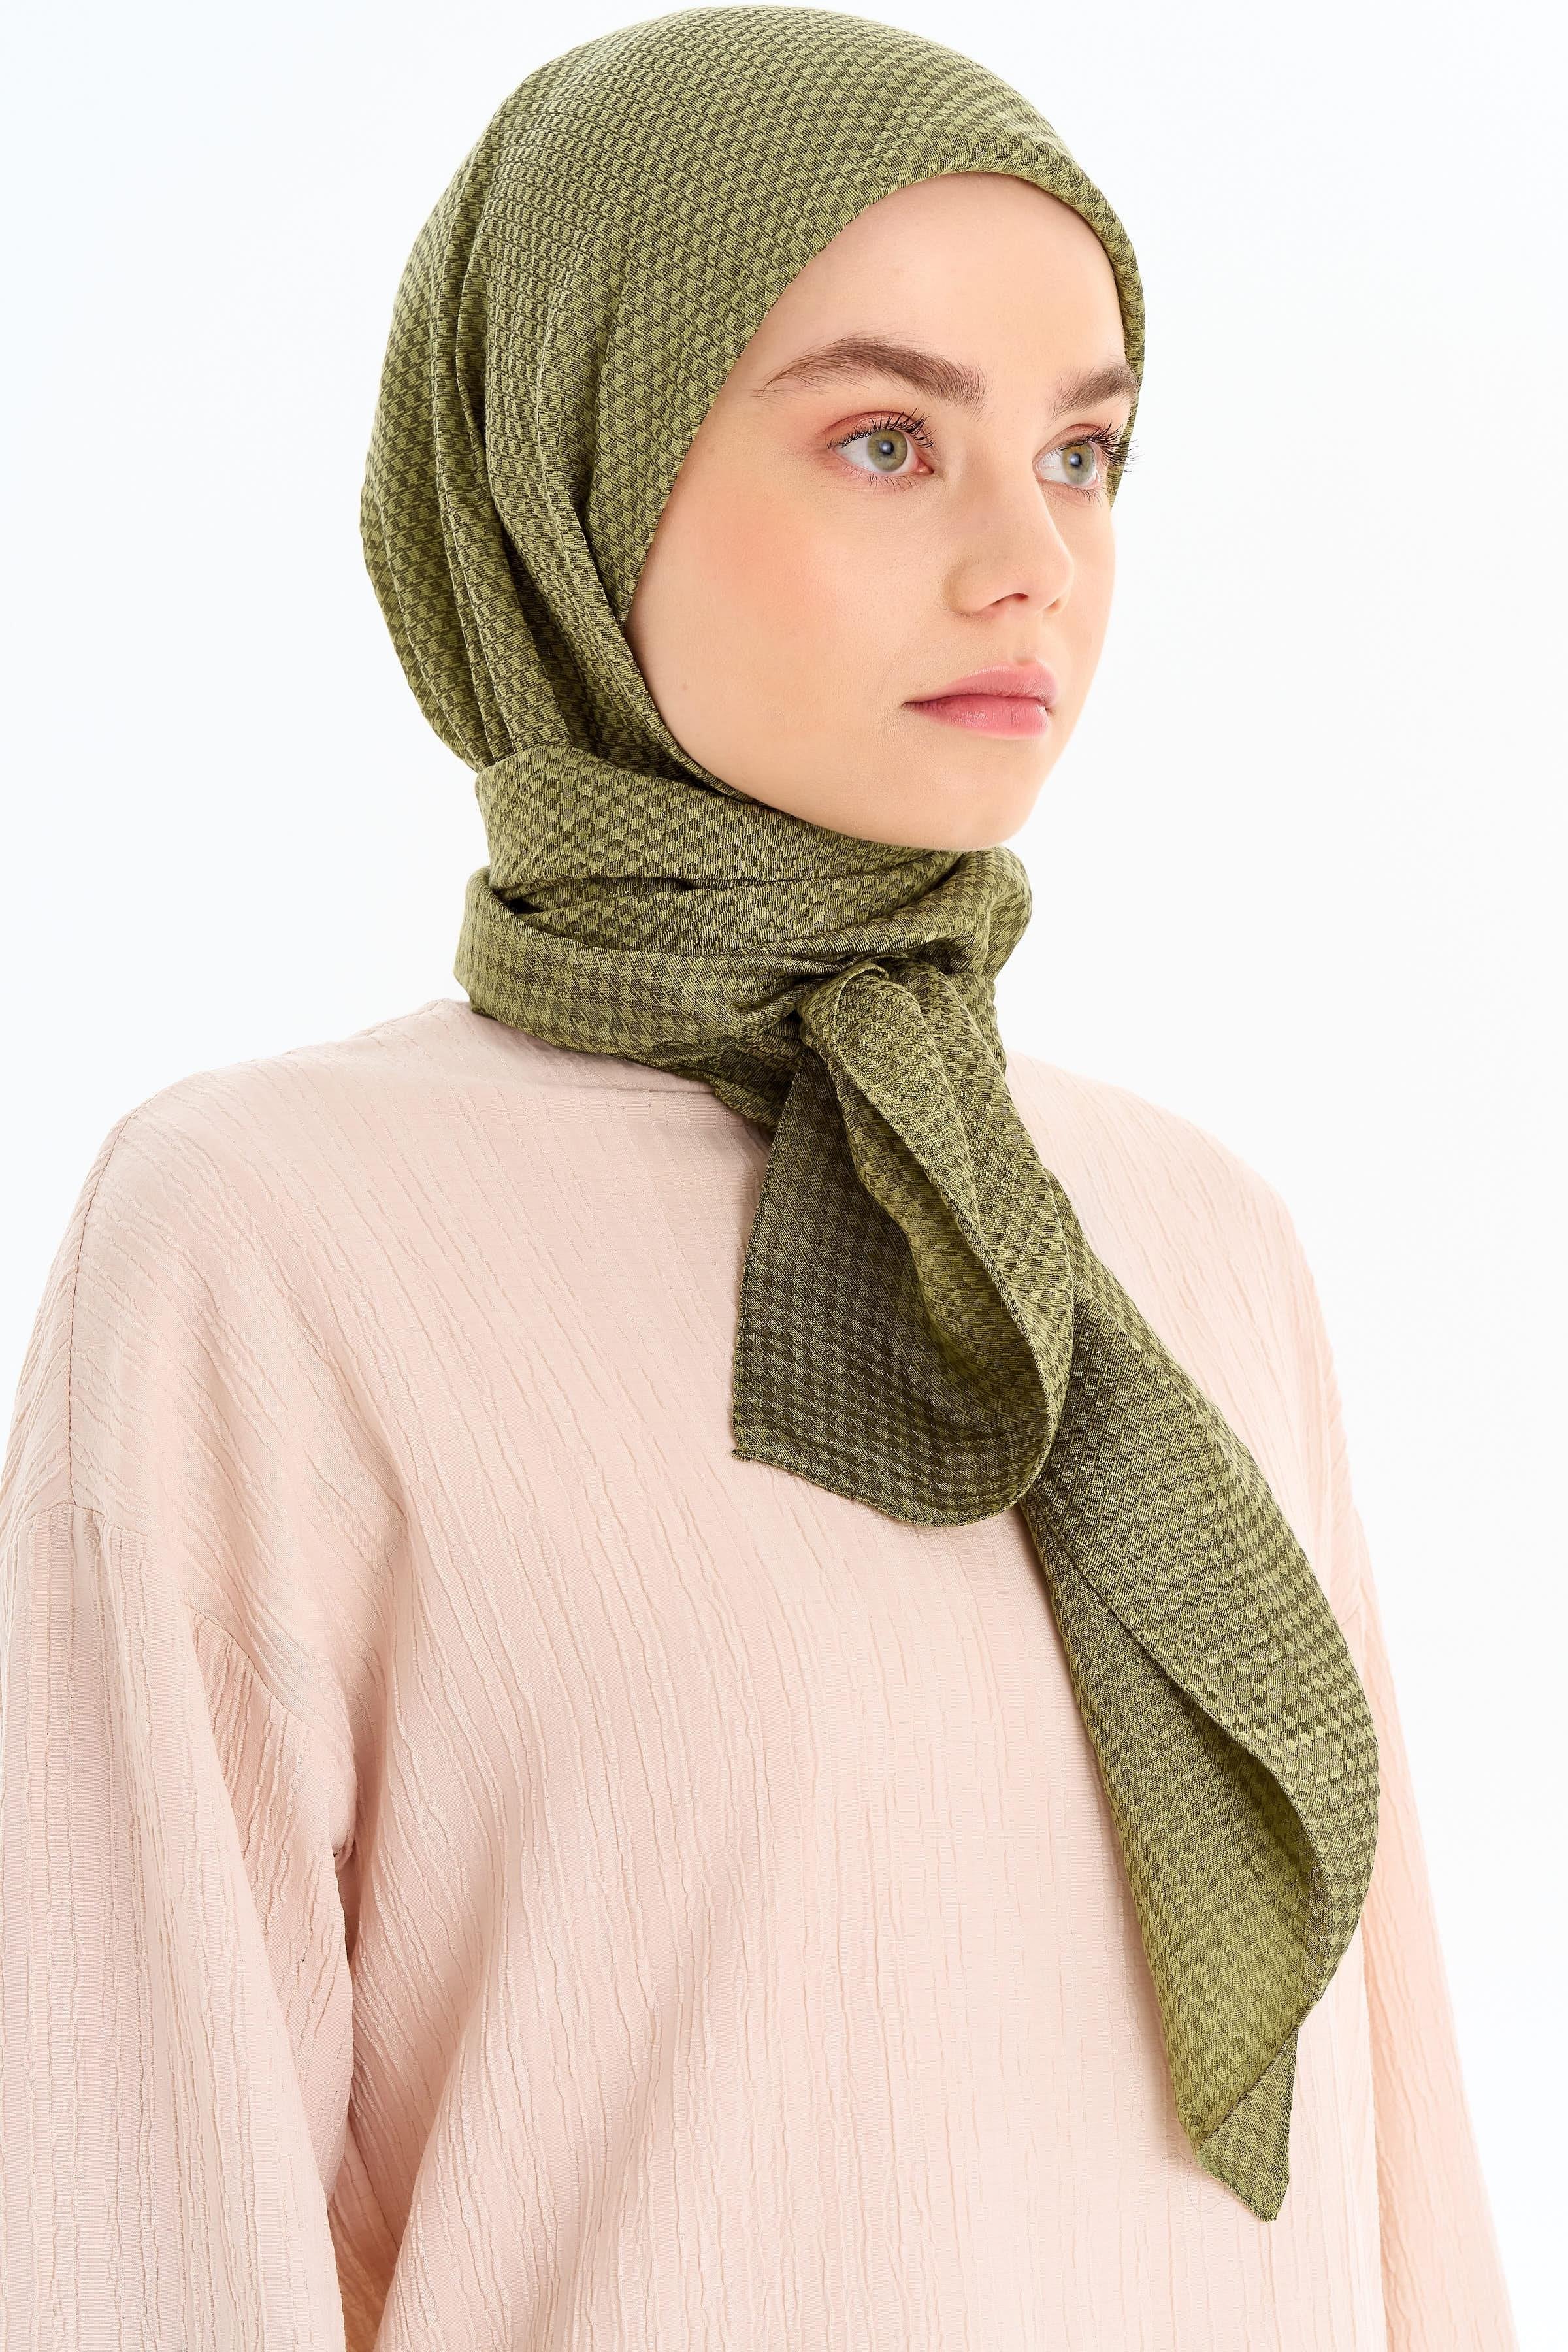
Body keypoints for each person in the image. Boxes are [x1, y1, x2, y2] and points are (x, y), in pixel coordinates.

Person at [0, 8, 1518, 2348]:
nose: (1031, 563)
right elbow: (136, 2213)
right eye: (888, 441)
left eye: (1086, 453)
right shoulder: (266, 1237)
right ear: (575, 477)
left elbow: (1395, 2167)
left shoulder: (1190, 1241)